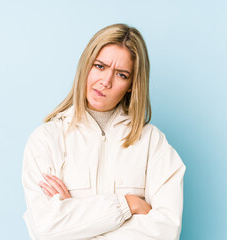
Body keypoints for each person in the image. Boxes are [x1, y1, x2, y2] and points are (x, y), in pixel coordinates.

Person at [22, 23, 186, 240]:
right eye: (100, 66)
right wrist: (128, 204)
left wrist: (74, 221)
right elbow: (45, 229)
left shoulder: (152, 143)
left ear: (131, 84)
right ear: (86, 66)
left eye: (121, 74)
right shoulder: (46, 140)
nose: (105, 82)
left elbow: (165, 231)